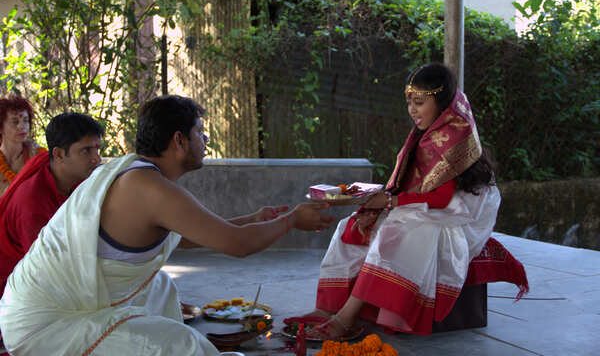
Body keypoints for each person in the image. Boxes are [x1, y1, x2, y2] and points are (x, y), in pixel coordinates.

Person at [0, 95, 335, 355]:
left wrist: (252, 220)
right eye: (199, 132)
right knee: (182, 346)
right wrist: (291, 220)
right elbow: (238, 244)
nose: (205, 140)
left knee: (159, 287)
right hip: (43, 325)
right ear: (179, 140)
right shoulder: (147, 187)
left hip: (49, 307)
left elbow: (182, 236)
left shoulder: (139, 175)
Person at [287, 63, 528, 338]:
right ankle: (329, 308)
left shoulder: (454, 138)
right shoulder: (424, 133)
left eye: (419, 102)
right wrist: (377, 204)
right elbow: (411, 187)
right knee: (352, 225)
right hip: (426, 209)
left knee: (396, 231)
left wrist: (389, 204)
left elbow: (441, 199)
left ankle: (345, 318)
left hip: (457, 219)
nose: (412, 110)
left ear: (441, 103)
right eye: (409, 102)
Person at [0, 112, 104, 296]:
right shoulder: (32, 205)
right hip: (16, 289)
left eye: (97, 149)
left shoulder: (67, 174)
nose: (97, 158)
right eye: (86, 151)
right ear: (59, 154)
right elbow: (46, 272)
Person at [0, 95, 45, 195]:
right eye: (15, 122)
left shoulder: (38, 156)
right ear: (1, 128)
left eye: (25, 120)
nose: (22, 126)